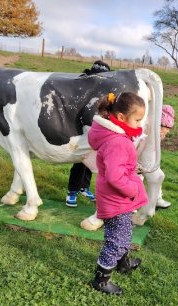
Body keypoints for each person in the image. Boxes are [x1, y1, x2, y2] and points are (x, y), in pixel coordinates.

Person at [88, 92, 148, 295]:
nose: (140, 124)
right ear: (121, 117)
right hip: (117, 199)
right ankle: (101, 279)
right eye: (137, 119)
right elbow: (115, 177)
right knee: (116, 239)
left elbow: (120, 166)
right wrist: (132, 189)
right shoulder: (118, 141)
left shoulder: (117, 136)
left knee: (124, 232)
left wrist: (132, 168)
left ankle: (123, 263)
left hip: (118, 199)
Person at [65, 60, 111, 207]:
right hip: (80, 126)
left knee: (92, 158)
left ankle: (84, 186)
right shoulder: (82, 85)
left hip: (96, 127)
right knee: (80, 160)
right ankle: (72, 191)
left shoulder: (106, 91)